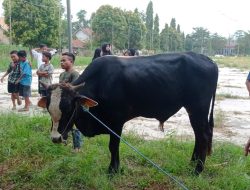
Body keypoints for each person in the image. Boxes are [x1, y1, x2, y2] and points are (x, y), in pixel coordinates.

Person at [59, 52, 82, 152]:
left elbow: (75, 89)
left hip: (72, 104)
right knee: (64, 122)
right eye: (61, 61)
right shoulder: (62, 74)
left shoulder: (74, 74)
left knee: (75, 125)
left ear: (71, 61)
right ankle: (64, 140)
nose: (61, 62)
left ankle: (77, 147)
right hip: (64, 104)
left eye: (64, 60)